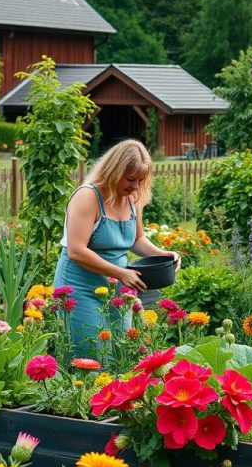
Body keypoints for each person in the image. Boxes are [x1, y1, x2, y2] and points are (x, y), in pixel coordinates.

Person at [53, 139, 180, 357]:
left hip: (117, 290)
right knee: (91, 353)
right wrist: (120, 273)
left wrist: (164, 254)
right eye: (130, 179)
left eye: (141, 180)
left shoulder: (131, 198)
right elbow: (76, 250)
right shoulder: (88, 197)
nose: (136, 187)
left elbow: (136, 240)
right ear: (114, 171)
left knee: (119, 354)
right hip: (80, 288)